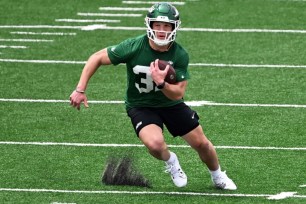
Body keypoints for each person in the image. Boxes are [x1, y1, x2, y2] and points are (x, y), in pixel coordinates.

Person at [70, 2, 237, 190]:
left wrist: (161, 83)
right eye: (157, 25)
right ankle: (171, 161)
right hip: (140, 105)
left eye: (166, 26)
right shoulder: (133, 46)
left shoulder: (180, 54)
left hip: (170, 104)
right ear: (150, 25)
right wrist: (80, 89)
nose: (161, 30)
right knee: (156, 145)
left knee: (202, 144)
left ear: (174, 28)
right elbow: (97, 57)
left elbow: (178, 94)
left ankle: (217, 176)